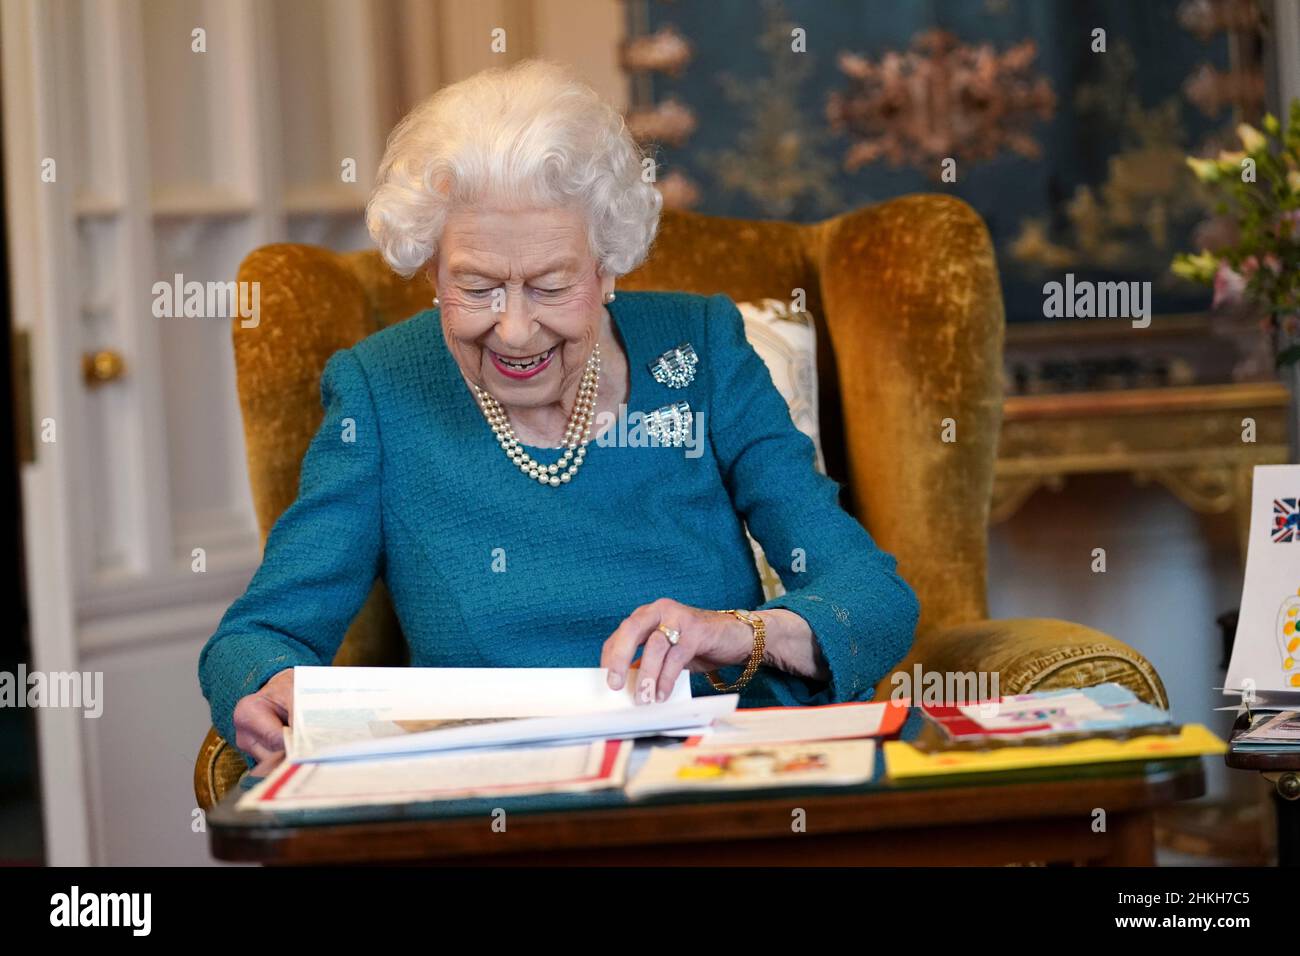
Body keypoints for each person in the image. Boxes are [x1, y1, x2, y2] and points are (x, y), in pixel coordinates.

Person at [198, 59, 918, 771]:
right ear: (432, 272)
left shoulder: (699, 349)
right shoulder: (382, 390)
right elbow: (258, 635)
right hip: (500, 798)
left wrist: (738, 633)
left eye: (550, 286)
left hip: (718, 778)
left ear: (606, 266)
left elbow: (873, 597)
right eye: (477, 287)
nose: (514, 331)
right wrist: (268, 684)